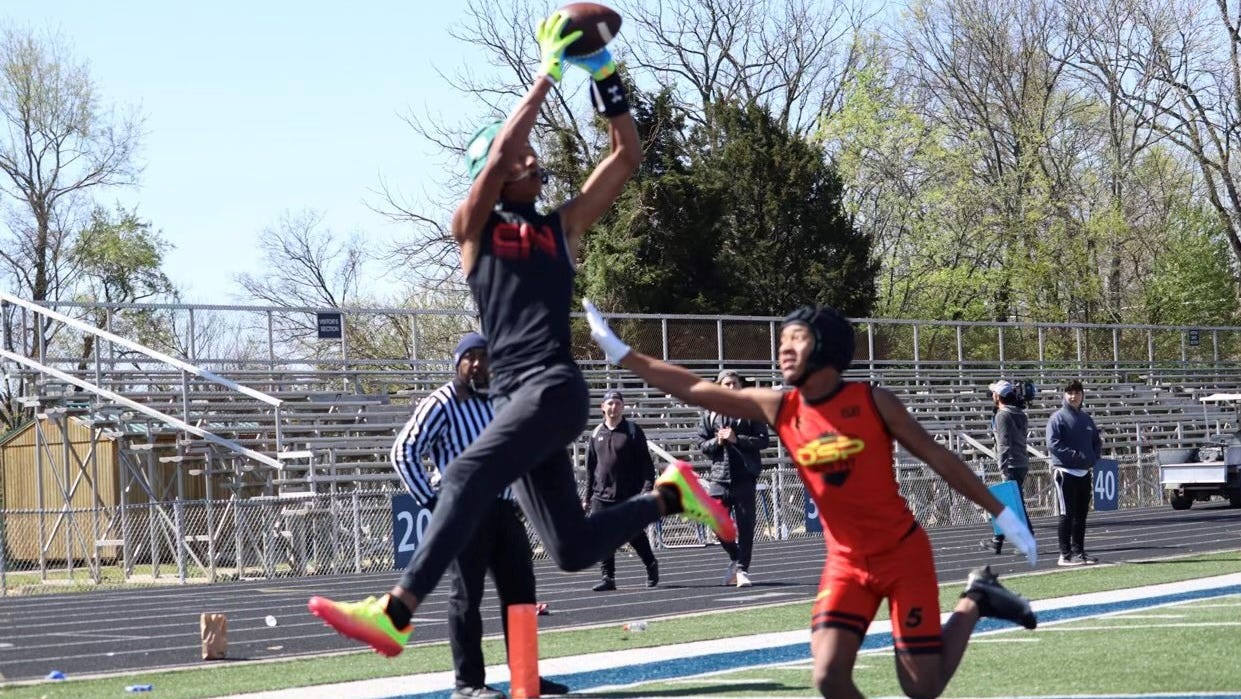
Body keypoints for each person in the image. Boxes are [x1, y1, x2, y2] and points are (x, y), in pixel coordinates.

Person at [308, 11, 734, 658]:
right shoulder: (472, 227)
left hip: (554, 388)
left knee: (461, 478)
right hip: (520, 400)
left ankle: (397, 609)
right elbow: (504, 152)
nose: (534, 159)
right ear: (495, 173)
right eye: (519, 158)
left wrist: (605, 75)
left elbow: (626, 154)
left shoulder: (558, 228)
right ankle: (670, 497)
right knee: (569, 548)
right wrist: (543, 79)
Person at [583, 300, 1039, 699]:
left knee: (921, 687)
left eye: (795, 339)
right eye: (782, 340)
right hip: (846, 563)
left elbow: (940, 458)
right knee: (828, 677)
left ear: (823, 347)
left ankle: (976, 598)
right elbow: (695, 388)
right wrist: (622, 353)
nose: (783, 349)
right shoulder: (781, 407)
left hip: (902, 556)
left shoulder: (875, 401)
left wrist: (1003, 511)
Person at [390, 333, 568, 698]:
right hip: (465, 512)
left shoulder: (500, 400)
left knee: (521, 596)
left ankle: (525, 678)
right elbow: (403, 451)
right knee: (466, 598)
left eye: (482, 356)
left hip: (505, 508)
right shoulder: (443, 401)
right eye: (468, 357)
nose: (476, 364)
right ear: (456, 363)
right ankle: (468, 684)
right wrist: (434, 503)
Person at [698, 369, 771, 587]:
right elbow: (702, 445)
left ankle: (742, 570)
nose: (731, 388)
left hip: (744, 476)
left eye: (734, 384)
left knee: (746, 525)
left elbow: (763, 440)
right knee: (713, 519)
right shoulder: (709, 413)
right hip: (719, 477)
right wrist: (717, 442)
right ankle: (735, 556)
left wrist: (737, 439)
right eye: (726, 384)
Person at [584, 389, 660, 591]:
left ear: (622, 406)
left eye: (617, 403)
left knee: (632, 534)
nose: (613, 407)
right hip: (601, 494)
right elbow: (590, 467)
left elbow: (646, 464)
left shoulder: (633, 431)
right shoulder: (596, 433)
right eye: (609, 403)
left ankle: (651, 564)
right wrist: (587, 497)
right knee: (603, 536)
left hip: (628, 493)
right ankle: (608, 577)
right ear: (602, 407)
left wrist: (646, 488)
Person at [1046, 379, 1102, 567]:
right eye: (1070, 393)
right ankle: (1065, 555)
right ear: (1064, 395)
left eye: (1077, 392)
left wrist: (1093, 458)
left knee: (1081, 515)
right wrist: (1077, 456)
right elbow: (1053, 444)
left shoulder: (1087, 419)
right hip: (1065, 472)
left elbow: (1096, 441)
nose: (1074, 396)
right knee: (1066, 514)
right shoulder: (1057, 418)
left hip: (1084, 473)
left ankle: (1079, 552)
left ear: (1082, 395)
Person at [980, 379, 1030, 556]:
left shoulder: (1002, 415)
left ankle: (1023, 539)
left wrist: (1003, 466)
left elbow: (1003, 443)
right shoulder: (1020, 414)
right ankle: (997, 541)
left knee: (1009, 504)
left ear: (998, 396)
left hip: (1011, 463)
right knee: (1010, 503)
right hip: (1021, 461)